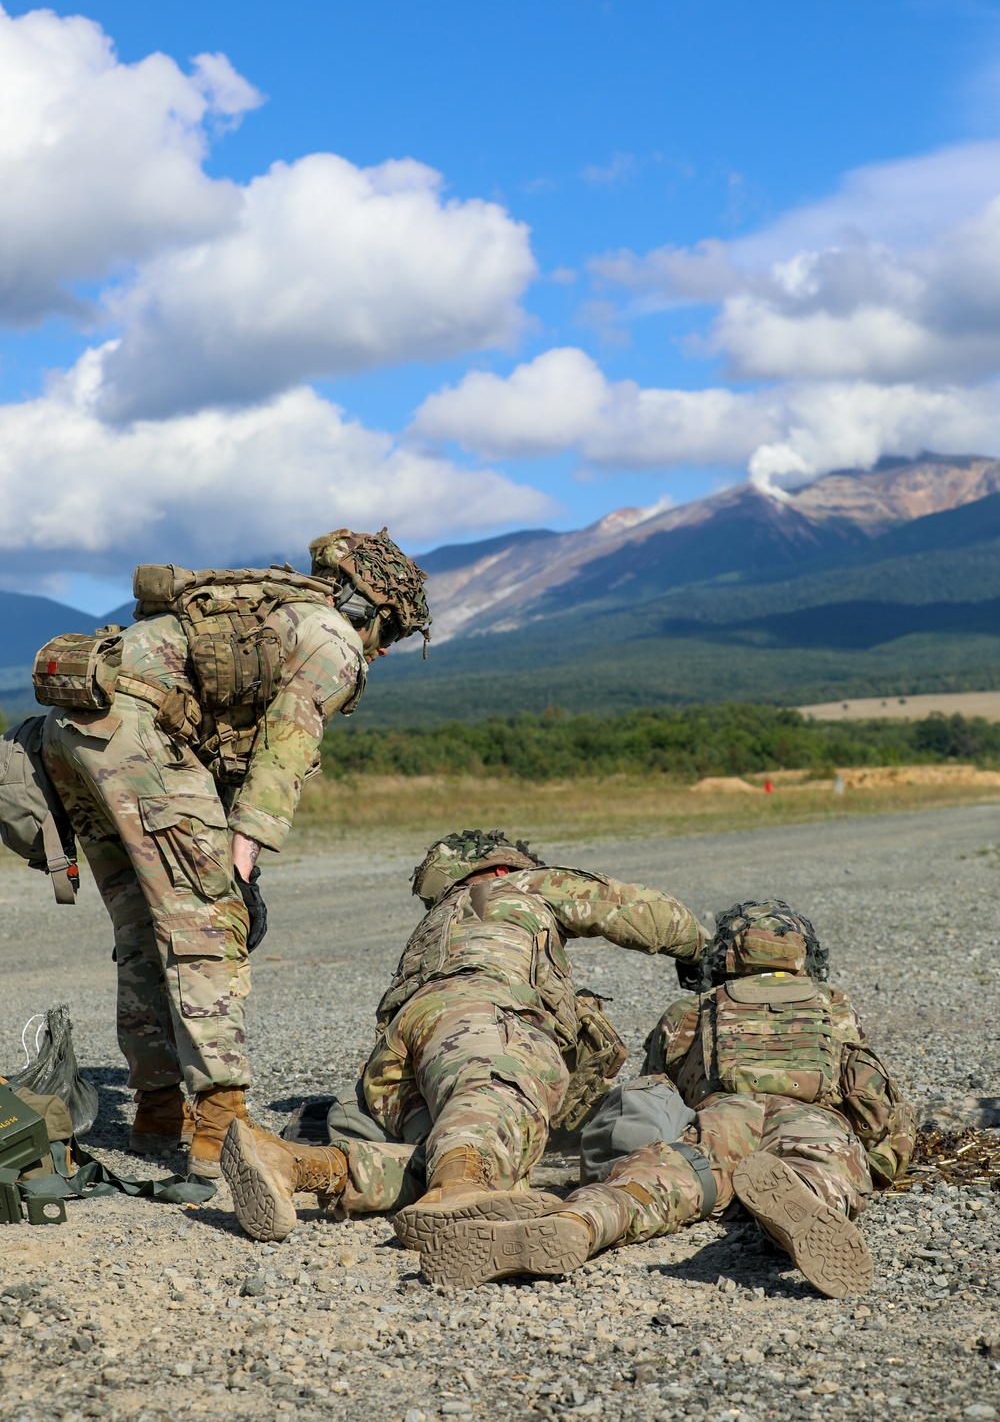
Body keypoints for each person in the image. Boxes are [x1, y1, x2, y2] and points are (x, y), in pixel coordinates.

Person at [40, 529, 430, 1176]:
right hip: (135, 732)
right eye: (389, 630)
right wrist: (244, 850)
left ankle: (160, 1109)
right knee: (206, 922)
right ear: (370, 609)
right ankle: (222, 1126)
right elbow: (288, 740)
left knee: (143, 927)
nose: (384, 647)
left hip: (71, 728)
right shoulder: (333, 639)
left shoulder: (271, 606)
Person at [221, 828, 709, 1241]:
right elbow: (642, 912)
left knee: (458, 1153)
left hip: (398, 1059)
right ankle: (456, 1200)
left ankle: (297, 1165)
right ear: (500, 868)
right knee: (477, 1145)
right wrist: (705, 954)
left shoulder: (437, 923)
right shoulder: (518, 886)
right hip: (481, 1022)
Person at [418, 900, 916, 1298]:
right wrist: (881, 1155)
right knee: (822, 1176)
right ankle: (795, 1207)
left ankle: (582, 1221)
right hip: (810, 1118)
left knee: (655, 1182)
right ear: (804, 955)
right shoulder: (833, 1007)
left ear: (725, 957)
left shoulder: (691, 1010)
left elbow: (657, 1091)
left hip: (722, 1118)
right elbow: (870, 1093)